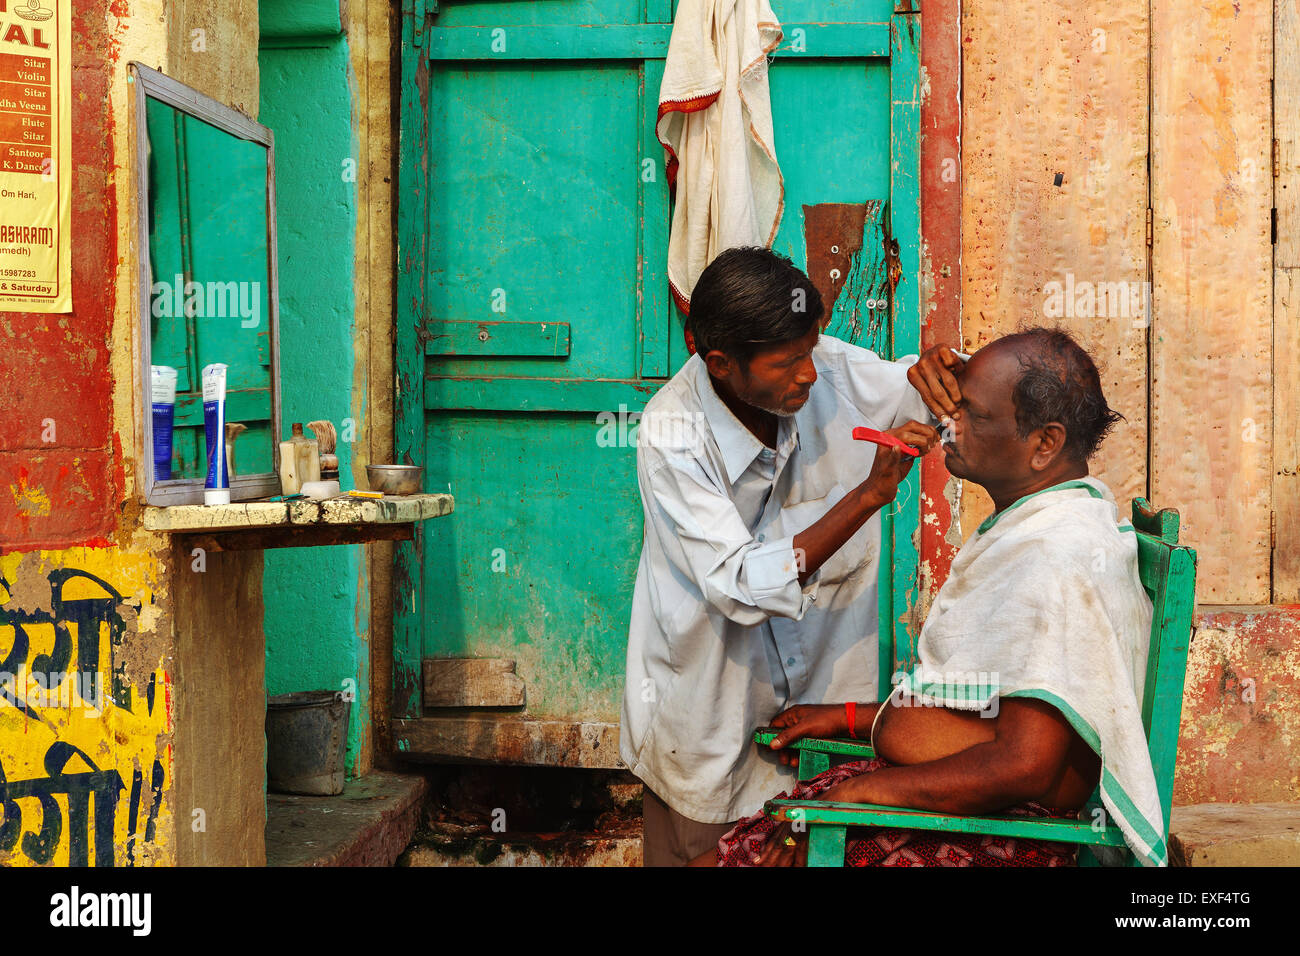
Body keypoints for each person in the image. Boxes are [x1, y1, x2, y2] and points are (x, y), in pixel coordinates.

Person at [698, 327, 1167, 867]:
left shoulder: (1055, 558)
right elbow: (991, 715)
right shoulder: (1049, 523)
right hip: (962, 806)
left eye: (972, 413)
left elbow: (1026, 765)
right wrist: (855, 718)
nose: (949, 423)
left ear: (1045, 444)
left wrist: (862, 796)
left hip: (1004, 833)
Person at [620, 245, 964, 866]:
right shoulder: (671, 432)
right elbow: (741, 585)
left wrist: (949, 370)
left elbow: (920, 394)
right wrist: (867, 497)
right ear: (719, 362)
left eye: (812, 348)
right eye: (788, 362)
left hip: (821, 724)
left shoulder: (824, 366)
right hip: (713, 716)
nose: (810, 372)